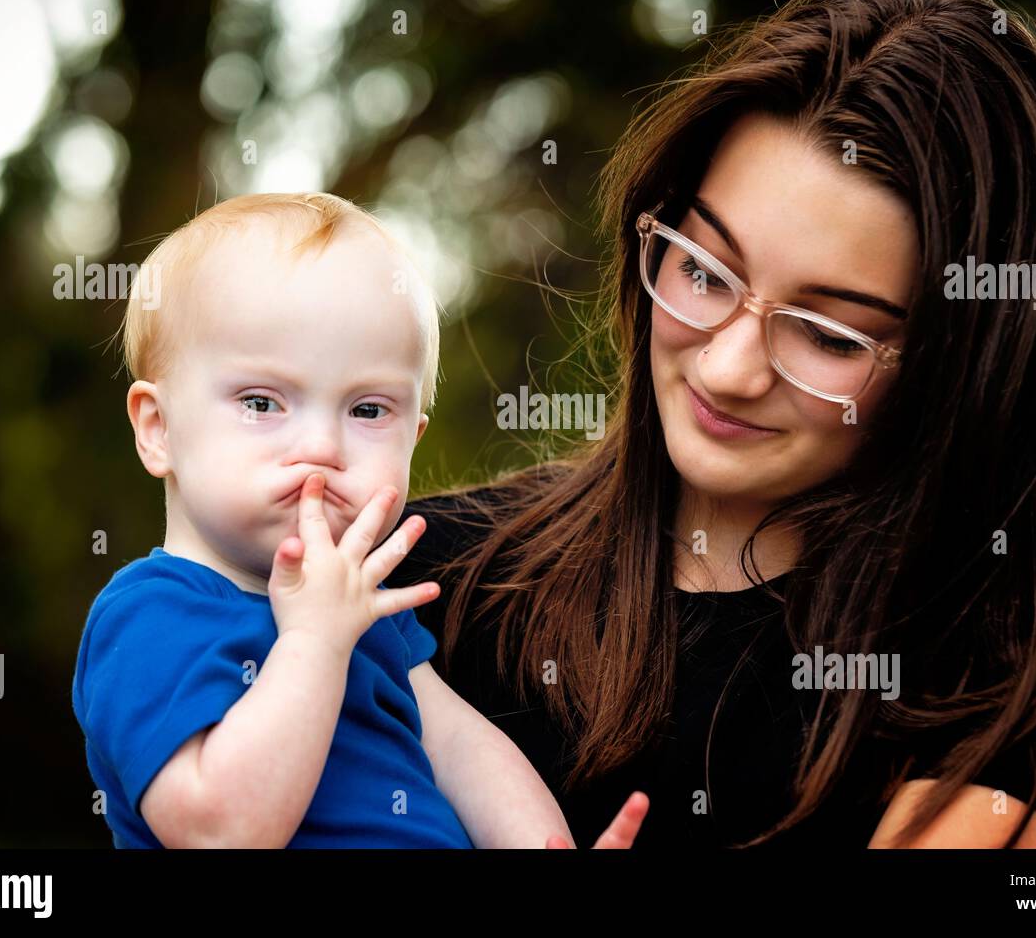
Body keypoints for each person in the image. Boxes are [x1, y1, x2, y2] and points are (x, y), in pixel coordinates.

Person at [390, 0, 1036, 848]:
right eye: (703, 270)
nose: (728, 368)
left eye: (826, 335)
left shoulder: (1012, 692)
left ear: (964, 372)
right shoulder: (410, 580)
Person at [71, 192, 648, 848]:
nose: (322, 447)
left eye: (368, 411)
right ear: (159, 429)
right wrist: (315, 642)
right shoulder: (150, 617)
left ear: (414, 438)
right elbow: (216, 832)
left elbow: (463, 750)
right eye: (262, 402)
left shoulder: (367, 605)